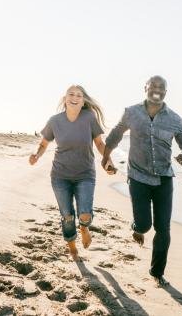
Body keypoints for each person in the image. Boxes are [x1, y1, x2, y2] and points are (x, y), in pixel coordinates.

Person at [102, 75, 182, 287]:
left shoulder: (175, 119)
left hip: (164, 178)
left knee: (163, 228)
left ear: (166, 91)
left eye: (161, 87)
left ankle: (157, 272)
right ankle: (137, 227)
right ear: (145, 88)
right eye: (153, 86)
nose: (157, 89)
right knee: (145, 225)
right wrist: (106, 156)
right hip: (138, 176)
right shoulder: (132, 112)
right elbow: (115, 134)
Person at [28, 85, 117, 260]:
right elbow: (44, 143)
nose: (75, 97)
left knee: (84, 213)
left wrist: (108, 161)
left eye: (79, 95)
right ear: (65, 98)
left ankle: (84, 227)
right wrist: (36, 155)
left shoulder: (89, 117)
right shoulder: (55, 121)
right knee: (67, 216)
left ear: (83, 100)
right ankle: (72, 247)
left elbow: (99, 143)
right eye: (71, 94)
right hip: (60, 176)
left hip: (85, 174)